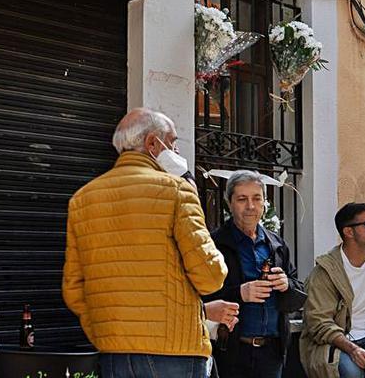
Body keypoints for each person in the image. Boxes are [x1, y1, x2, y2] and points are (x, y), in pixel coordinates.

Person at [63, 107, 228, 378]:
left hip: (113, 352)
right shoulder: (178, 191)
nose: (175, 152)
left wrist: (106, 332)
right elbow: (211, 276)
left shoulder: (82, 198)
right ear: (153, 143)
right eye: (172, 143)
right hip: (175, 354)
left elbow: (74, 289)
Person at [202, 170, 306, 378]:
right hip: (229, 351)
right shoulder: (214, 244)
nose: (250, 206)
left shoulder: (277, 244)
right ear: (229, 203)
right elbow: (201, 297)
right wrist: (240, 292)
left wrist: (287, 285)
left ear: (264, 203)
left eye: (257, 198)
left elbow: (299, 295)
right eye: (242, 199)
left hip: (272, 352)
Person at [300, 202, 365, 378]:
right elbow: (318, 323)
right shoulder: (325, 272)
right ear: (348, 232)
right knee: (350, 372)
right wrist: (353, 349)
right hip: (333, 340)